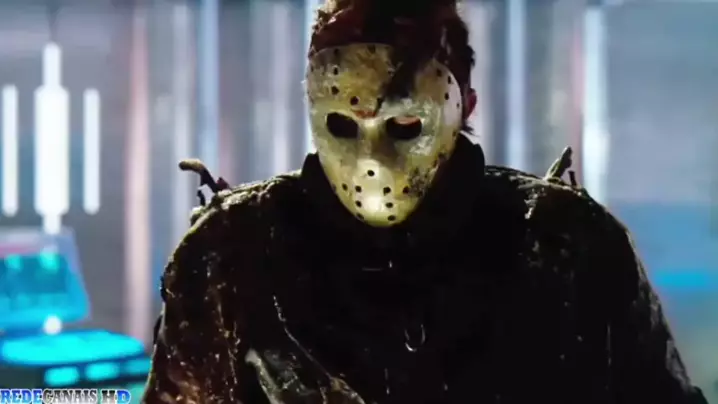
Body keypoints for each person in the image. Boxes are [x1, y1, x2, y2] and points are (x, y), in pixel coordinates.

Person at [142, 0, 708, 402]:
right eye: (343, 124)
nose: (372, 161)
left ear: (465, 107)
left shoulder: (567, 248)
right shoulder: (230, 259)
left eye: (405, 125)